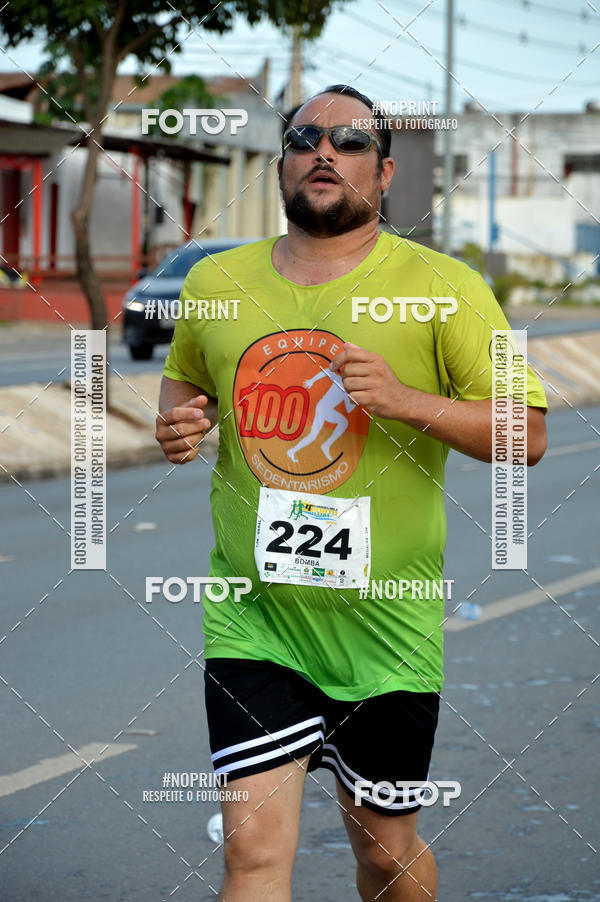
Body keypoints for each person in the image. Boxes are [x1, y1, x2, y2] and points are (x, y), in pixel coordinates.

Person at [155, 84, 547, 902]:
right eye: (304, 138)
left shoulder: (448, 287)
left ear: (387, 171)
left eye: (349, 140)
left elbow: (528, 434)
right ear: (281, 164)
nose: (323, 151)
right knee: (251, 855)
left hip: (389, 627)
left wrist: (406, 401)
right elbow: (184, 383)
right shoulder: (218, 282)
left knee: (383, 850)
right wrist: (178, 428)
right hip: (253, 616)